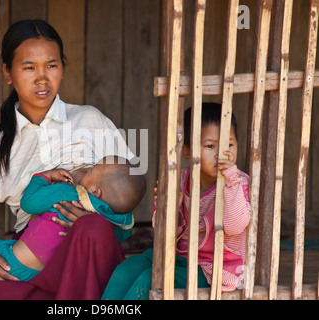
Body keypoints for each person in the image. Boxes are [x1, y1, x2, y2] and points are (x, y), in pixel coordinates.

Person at [0, 19, 135, 300]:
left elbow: (130, 185)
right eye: (29, 67)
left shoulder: (90, 119)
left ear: (62, 68)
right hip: (31, 261)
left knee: (92, 228)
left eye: (51, 65)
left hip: (89, 264)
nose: (42, 78)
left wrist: (98, 221)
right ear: (8, 73)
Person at [101, 102, 251, 300]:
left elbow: (234, 226)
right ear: (188, 152)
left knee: (148, 280)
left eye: (229, 145)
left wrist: (231, 176)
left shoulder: (237, 182)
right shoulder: (180, 180)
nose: (221, 153)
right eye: (210, 146)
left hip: (212, 268)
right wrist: (169, 208)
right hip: (178, 257)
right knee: (127, 269)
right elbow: (162, 230)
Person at [0, 156, 146, 281]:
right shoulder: (114, 224)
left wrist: (44, 176)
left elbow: (28, 203)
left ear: (96, 192)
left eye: (91, 170)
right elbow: (118, 236)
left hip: (13, 265)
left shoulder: (68, 194)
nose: (87, 169)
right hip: (50, 275)